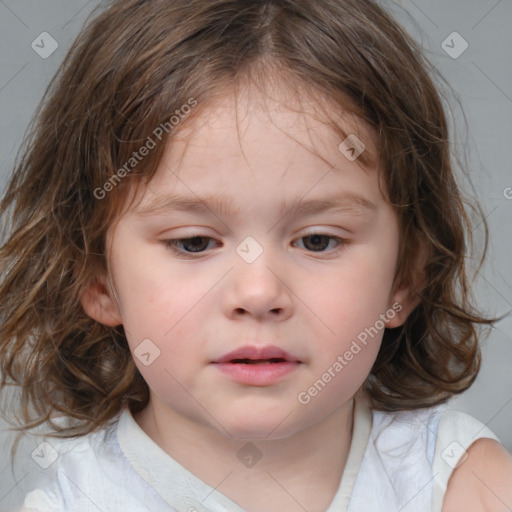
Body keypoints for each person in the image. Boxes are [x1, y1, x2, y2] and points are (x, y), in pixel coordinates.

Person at [1, 0, 511, 511]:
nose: (259, 293)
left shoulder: (463, 487)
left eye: (317, 240)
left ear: (404, 277)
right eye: (194, 242)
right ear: (97, 279)